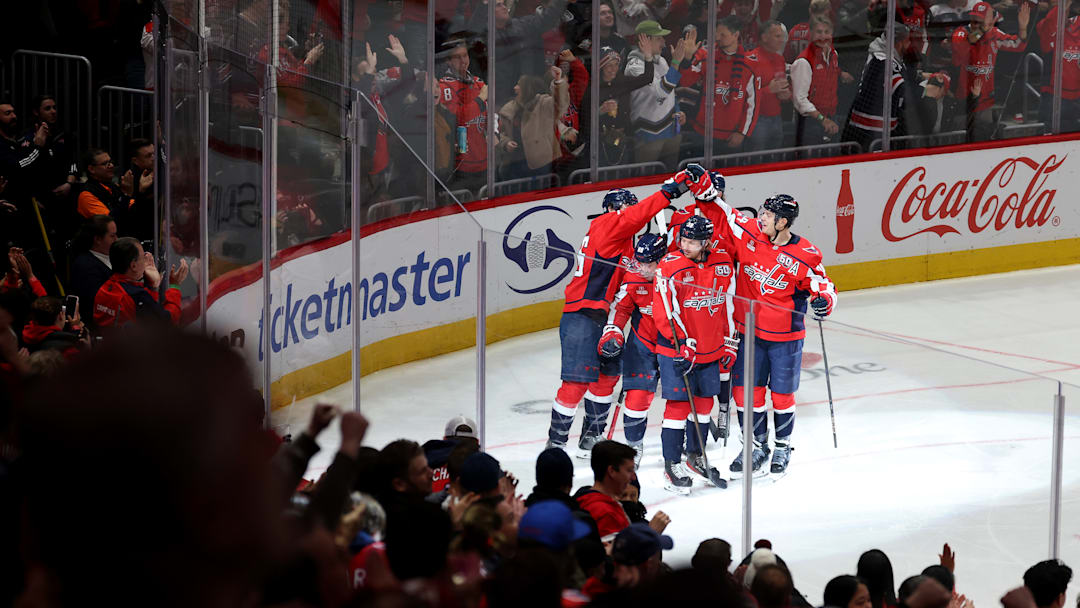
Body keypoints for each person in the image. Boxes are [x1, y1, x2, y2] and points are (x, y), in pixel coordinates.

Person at [544, 164, 713, 452]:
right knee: (576, 383)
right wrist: (671, 190)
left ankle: (591, 436)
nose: (632, 219)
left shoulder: (624, 243)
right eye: (626, 212)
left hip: (602, 314)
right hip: (583, 314)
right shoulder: (605, 226)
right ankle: (556, 443)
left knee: (606, 378)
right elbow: (636, 216)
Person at [693, 185, 837, 476]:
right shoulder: (748, 233)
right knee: (747, 393)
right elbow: (722, 212)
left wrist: (824, 301)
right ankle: (755, 445)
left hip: (785, 338)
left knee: (782, 396)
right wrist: (702, 186)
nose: (761, 218)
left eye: (769, 215)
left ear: (783, 222)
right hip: (749, 333)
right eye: (762, 211)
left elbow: (823, 285)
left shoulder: (805, 254)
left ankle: (782, 447)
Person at [652, 215, 735, 492]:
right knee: (677, 406)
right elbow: (665, 311)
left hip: (710, 349)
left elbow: (729, 304)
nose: (685, 245)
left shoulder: (722, 263)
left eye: (692, 242)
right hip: (678, 350)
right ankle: (671, 464)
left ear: (706, 242)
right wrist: (684, 344)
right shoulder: (669, 266)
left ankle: (695, 456)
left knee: (703, 405)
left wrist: (729, 342)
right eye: (683, 240)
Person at [598, 233, 668, 466]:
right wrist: (613, 331)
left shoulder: (678, 276)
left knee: (683, 400)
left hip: (675, 345)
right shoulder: (633, 277)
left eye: (648, 263)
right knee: (637, 398)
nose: (643, 269)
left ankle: (683, 443)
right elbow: (620, 310)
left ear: (662, 259)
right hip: (643, 343)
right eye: (639, 262)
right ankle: (634, 446)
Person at [950, 0, 1031, 141]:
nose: (978, 24)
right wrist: (982, 30)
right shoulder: (960, 34)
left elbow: (1018, 45)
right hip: (964, 100)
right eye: (975, 20)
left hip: (985, 102)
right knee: (960, 140)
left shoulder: (994, 33)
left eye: (982, 21)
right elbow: (963, 50)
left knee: (983, 140)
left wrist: (1022, 28)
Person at [679, 16, 759, 154]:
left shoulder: (749, 65)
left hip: (731, 136)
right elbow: (685, 81)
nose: (717, 38)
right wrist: (687, 59)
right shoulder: (705, 56)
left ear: (735, 35)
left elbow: (752, 104)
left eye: (723, 34)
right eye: (716, 33)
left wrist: (742, 133)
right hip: (702, 133)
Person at [626, 20, 690, 169]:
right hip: (649, 134)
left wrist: (677, 110)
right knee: (645, 180)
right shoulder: (634, 66)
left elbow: (671, 93)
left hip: (671, 130)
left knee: (670, 179)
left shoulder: (660, 60)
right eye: (659, 38)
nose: (664, 42)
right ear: (645, 40)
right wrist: (675, 63)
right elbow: (659, 92)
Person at [842, 24, 912, 151]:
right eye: (907, 40)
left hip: (864, 128)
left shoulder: (879, 54)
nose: (909, 44)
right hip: (870, 132)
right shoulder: (883, 62)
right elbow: (902, 90)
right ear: (900, 42)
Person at [93, 237, 185, 329]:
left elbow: (145, 314)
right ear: (133, 265)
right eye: (142, 257)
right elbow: (168, 321)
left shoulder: (104, 288)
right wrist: (174, 286)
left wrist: (153, 286)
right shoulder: (137, 296)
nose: (146, 260)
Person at [791, 17, 853, 146]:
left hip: (831, 116)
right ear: (811, 33)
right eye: (819, 32)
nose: (823, 36)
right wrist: (822, 119)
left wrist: (841, 74)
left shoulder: (834, 54)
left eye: (826, 32)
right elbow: (800, 100)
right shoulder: (804, 61)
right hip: (810, 122)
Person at [437, 40, 489, 194]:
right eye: (457, 57)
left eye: (465, 55)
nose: (463, 61)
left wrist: (495, 133)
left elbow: (492, 115)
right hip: (459, 168)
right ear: (448, 61)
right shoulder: (443, 87)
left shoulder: (478, 83)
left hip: (485, 165)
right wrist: (480, 100)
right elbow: (456, 118)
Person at [574, 440, 636, 538]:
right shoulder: (605, 514)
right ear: (611, 471)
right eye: (629, 470)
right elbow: (616, 553)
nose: (633, 477)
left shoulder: (585, 498)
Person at [747, 21, 791, 151]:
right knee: (757, 161)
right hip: (757, 120)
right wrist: (768, 90)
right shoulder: (750, 59)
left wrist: (786, 94)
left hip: (777, 118)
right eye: (777, 36)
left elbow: (781, 88)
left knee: (775, 159)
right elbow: (742, 95)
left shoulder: (780, 59)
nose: (781, 40)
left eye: (782, 36)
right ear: (764, 37)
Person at [1036, 0, 1080, 131]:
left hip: (1076, 97)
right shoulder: (1044, 26)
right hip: (1053, 96)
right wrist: (1064, 6)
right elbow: (1051, 23)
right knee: (1048, 134)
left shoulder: (1076, 24)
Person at [69, 215, 117, 324]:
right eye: (112, 236)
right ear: (98, 239)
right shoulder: (85, 266)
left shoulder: (113, 257)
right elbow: (97, 302)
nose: (116, 239)